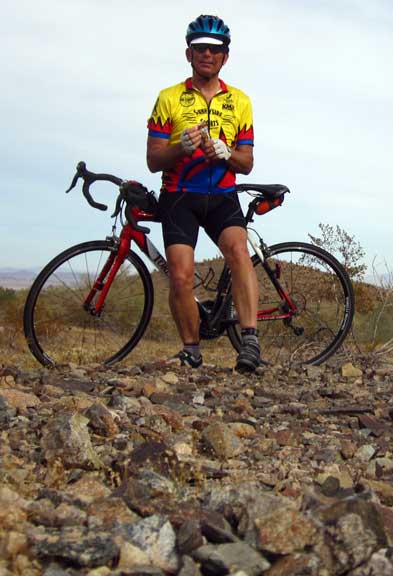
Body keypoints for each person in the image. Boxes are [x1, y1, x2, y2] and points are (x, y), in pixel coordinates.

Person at [146, 14, 260, 372]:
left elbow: (247, 163)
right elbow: (153, 160)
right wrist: (180, 147)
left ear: (225, 57)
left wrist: (227, 155)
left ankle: (250, 342)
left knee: (239, 251)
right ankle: (191, 350)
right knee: (180, 275)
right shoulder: (169, 98)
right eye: (200, 49)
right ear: (188, 54)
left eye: (214, 49)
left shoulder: (240, 102)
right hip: (179, 195)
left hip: (223, 195)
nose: (207, 55)